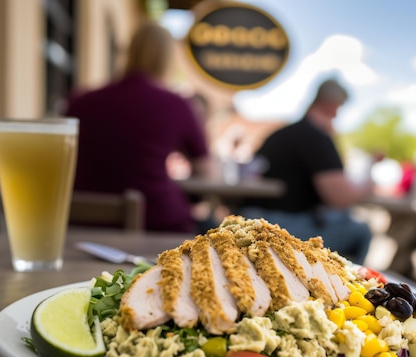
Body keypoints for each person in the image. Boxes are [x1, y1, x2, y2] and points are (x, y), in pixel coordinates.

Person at [65, 22, 212, 233]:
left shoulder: (80, 101)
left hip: (81, 221)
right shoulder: (176, 105)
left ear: (129, 52)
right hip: (156, 220)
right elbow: (207, 172)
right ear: (169, 59)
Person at [240, 78, 374, 264]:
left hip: (246, 219)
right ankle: (345, 289)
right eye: (338, 109)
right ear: (331, 106)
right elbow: (339, 197)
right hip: (280, 228)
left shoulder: (279, 134)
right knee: (361, 231)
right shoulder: (317, 137)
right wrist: (368, 184)